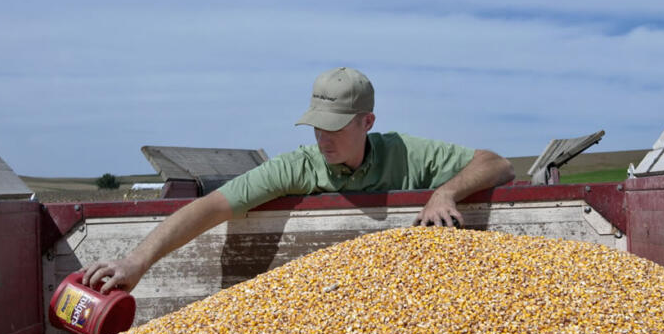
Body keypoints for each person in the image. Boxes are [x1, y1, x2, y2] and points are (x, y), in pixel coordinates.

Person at [81, 67, 515, 293]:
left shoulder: (406, 152)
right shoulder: (300, 166)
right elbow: (210, 206)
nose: (323, 138)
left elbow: (498, 164)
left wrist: (445, 192)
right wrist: (137, 262)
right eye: (317, 126)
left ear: (367, 121)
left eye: (336, 126)